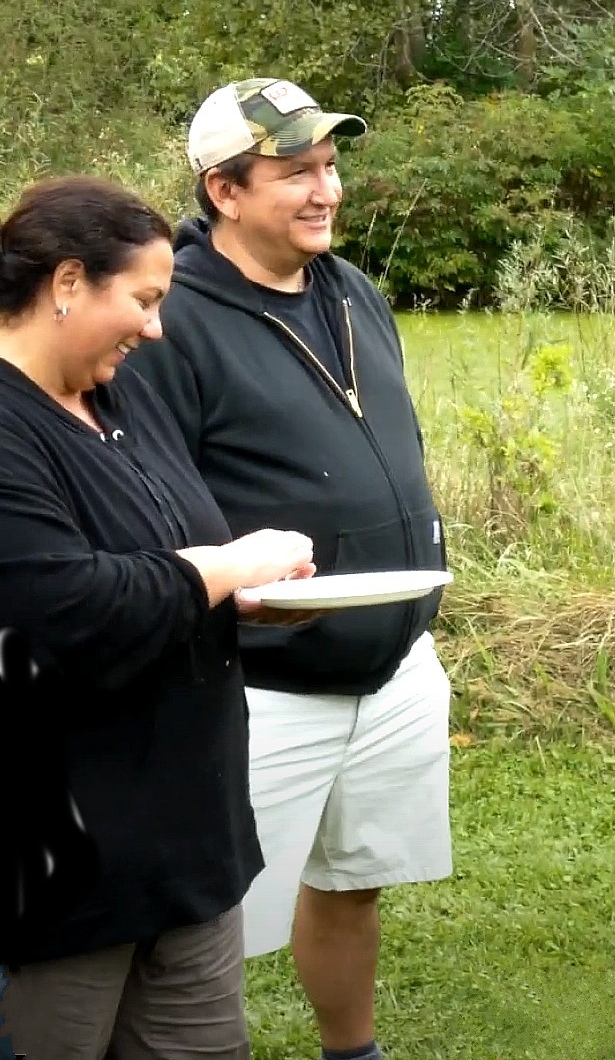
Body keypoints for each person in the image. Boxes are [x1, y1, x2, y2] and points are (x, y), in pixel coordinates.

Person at [124, 78, 453, 1060]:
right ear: (224, 191)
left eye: (331, 165)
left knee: (354, 878)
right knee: (211, 920)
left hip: (393, 658)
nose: (325, 190)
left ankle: (352, 1050)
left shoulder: (349, 289)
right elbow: (146, 498)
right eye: (295, 171)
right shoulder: (170, 319)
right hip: (261, 682)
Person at [0, 176, 316, 1058]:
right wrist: (225, 566)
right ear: (66, 283)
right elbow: (64, 609)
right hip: (64, 873)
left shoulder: (120, 397)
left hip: (185, 848)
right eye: (141, 299)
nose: (156, 327)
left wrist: (241, 594)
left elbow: (169, 555)